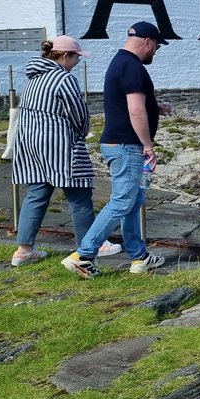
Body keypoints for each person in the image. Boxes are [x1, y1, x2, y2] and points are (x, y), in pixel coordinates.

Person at [64, 21, 169, 279]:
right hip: (127, 146)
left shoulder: (120, 63)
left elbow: (133, 105)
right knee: (122, 201)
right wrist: (148, 145)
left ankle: (139, 257)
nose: (155, 51)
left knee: (133, 201)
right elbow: (135, 110)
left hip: (118, 144)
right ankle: (83, 255)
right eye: (156, 46)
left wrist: (157, 108)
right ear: (147, 42)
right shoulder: (132, 67)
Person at [9, 36, 121, 266]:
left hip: (29, 143)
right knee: (79, 196)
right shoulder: (62, 78)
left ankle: (24, 250)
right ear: (64, 56)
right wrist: (81, 134)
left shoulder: (33, 78)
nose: (77, 61)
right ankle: (91, 245)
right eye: (76, 57)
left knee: (37, 193)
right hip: (59, 144)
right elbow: (79, 113)